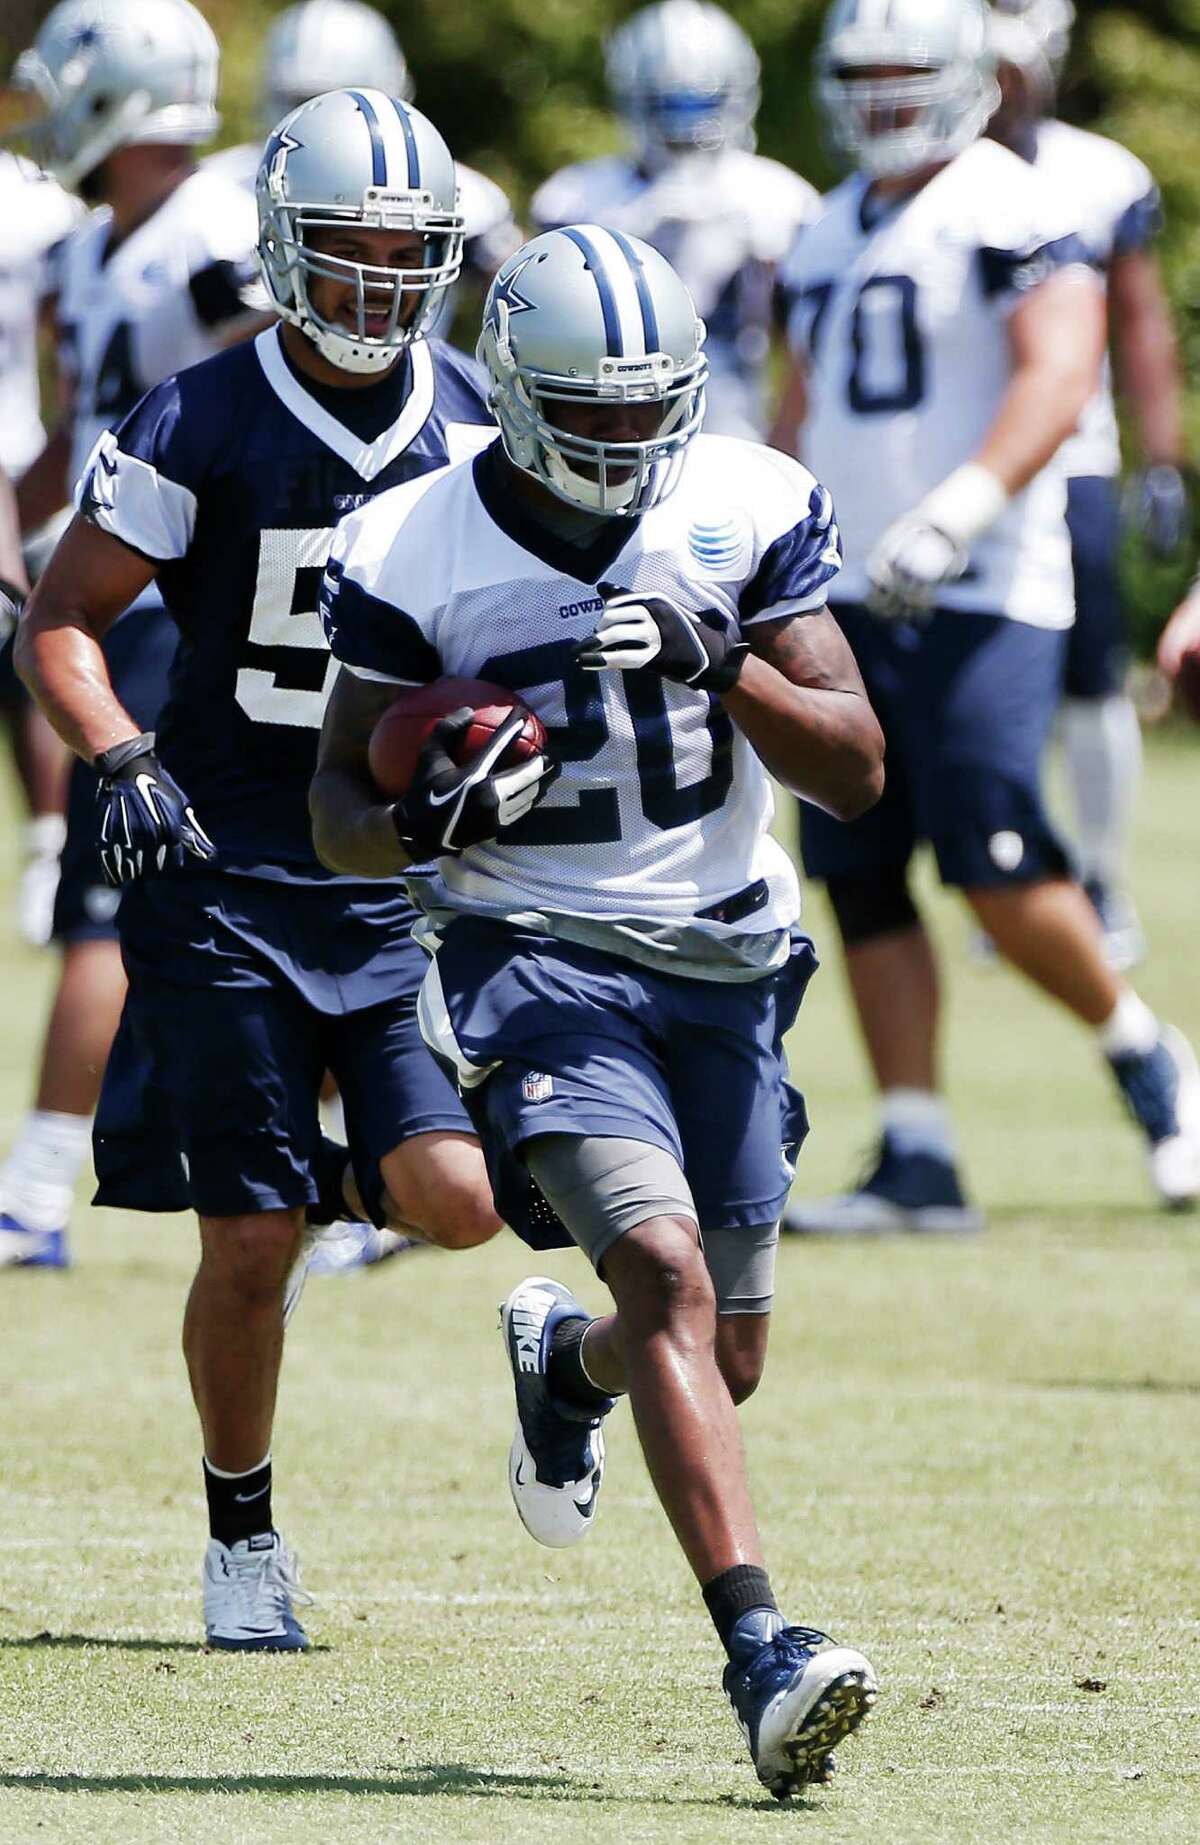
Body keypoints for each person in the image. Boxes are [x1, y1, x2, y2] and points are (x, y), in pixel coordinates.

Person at [311, 223, 885, 1797]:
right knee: (665, 1266)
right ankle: (762, 1650)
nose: (632, 440)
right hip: (532, 951)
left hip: (727, 953)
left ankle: (568, 1372)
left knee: (719, 1346)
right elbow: (333, 814)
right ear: (512, 386)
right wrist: (424, 812)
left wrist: (731, 669)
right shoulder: (413, 540)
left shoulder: (744, 504)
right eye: (597, 409)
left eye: (654, 408)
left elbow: (854, 761)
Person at [17, 87, 514, 1649]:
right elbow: (62, 622)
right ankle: (243, 1533)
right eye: (346, 254)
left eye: (402, 256)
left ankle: (468, 1303)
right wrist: (117, 758)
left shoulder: (477, 421)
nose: (375, 286)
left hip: (390, 881)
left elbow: (522, 637)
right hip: (223, 865)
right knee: (247, 1240)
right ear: (283, 257)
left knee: (462, 1199)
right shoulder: (200, 413)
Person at [772, 0, 1200, 1234]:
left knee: (994, 854)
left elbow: (1063, 372)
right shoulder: (822, 223)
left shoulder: (1008, 200)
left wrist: (961, 508)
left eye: (907, 69)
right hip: (841, 591)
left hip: (984, 583)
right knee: (856, 863)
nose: (882, 94)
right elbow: (803, 406)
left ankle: (1144, 1053)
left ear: (966, 75)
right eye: (863, 72)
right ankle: (918, 1150)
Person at [0, 0, 264, 1271]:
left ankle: (36, 1192)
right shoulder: (105, 243)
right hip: (126, 600)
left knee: (112, 912)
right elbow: (80, 437)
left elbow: (276, 416)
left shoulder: (215, 232)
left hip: (183, 613)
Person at [986, 0, 1189, 969]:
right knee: (990, 676)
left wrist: (1162, 457)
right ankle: (1014, 872)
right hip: (965, 469)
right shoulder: (934, 183)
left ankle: (1099, 879)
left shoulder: (1099, 173)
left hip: (1073, 460)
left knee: (1092, 677)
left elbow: (1142, 322)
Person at [530, 0, 817, 442]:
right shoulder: (577, 198)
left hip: (735, 431)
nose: (686, 124)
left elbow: (808, 352)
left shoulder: (777, 200)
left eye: (701, 103)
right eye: (669, 105)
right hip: (606, 427)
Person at [205, 0, 521, 312]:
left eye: (342, 105)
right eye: (303, 101)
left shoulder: (459, 192)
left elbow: (517, 310)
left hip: (417, 361)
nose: (320, 123)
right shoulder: (215, 190)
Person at [0, 150, 82, 947]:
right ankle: (51, 852)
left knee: (42, 655)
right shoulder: (39, 200)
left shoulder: (36, 202)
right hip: (32, 464)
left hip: (26, 471)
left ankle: (50, 849)